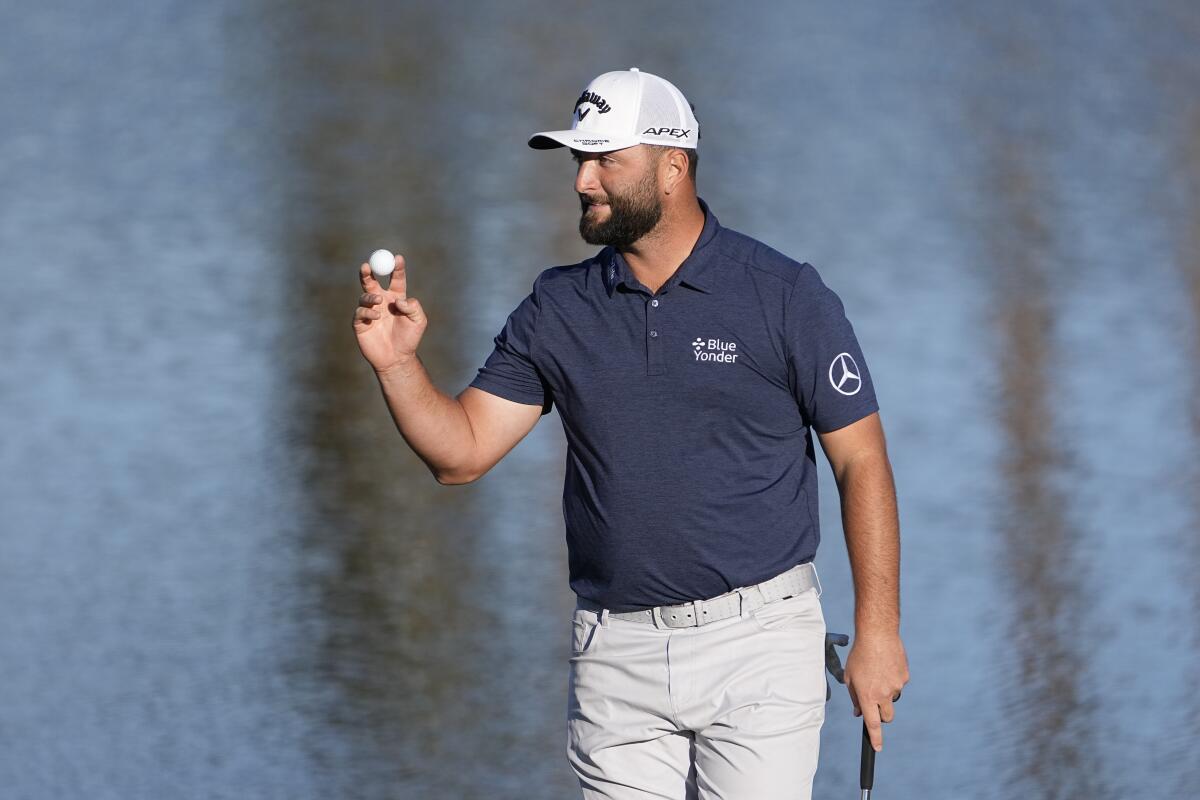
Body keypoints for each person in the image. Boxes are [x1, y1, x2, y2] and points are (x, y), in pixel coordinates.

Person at [352, 67, 908, 800]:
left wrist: (878, 631)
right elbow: (461, 454)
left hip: (760, 646)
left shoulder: (782, 296)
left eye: (606, 159)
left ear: (673, 166)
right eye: (579, 160)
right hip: (615, 654)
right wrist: (398, 367)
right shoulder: (559, 307)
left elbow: (861, 461)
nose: (583, 180)